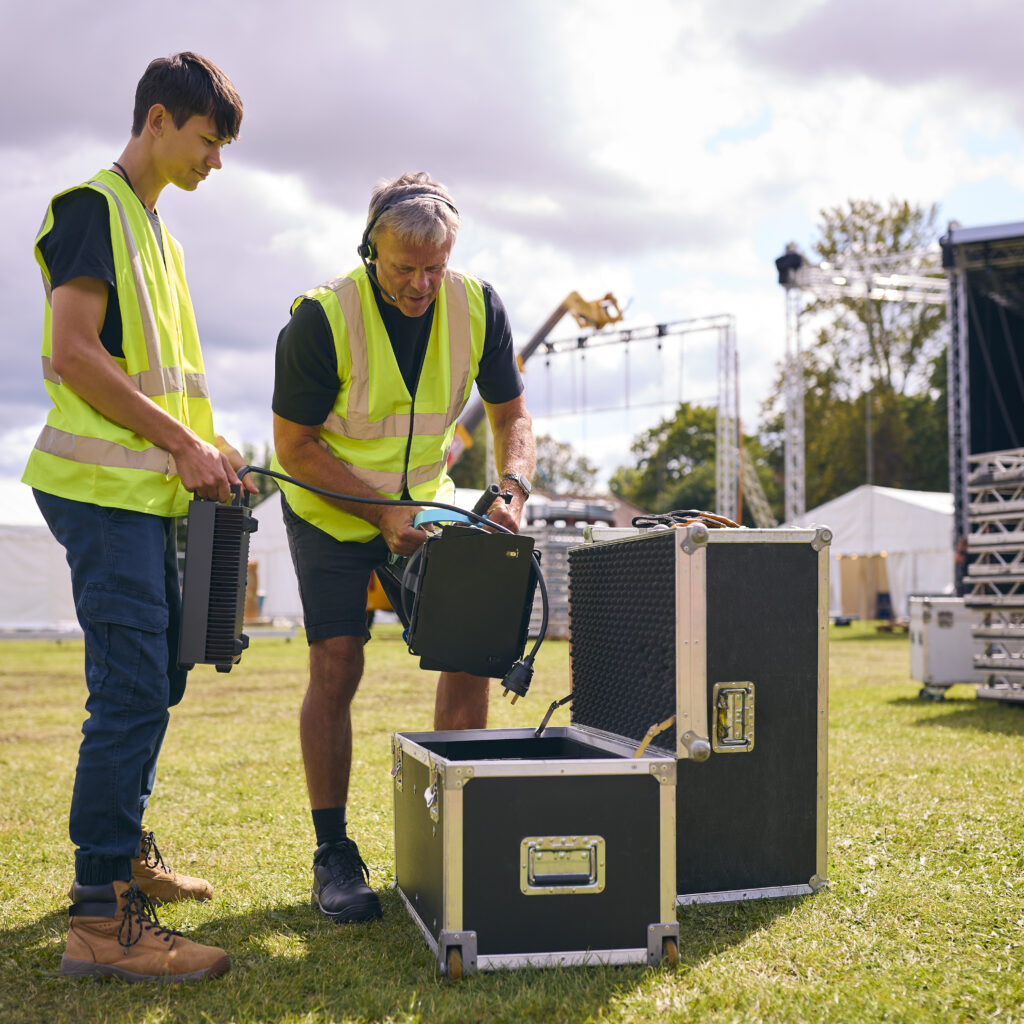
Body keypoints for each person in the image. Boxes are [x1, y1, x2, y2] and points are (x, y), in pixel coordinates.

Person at [22, 52, 256, 982]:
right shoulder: (91, 209)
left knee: (157, 677)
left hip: (144, 495)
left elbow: (156, 381)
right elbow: (74, 355)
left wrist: (211, 446)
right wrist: (182, 446)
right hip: (98, 491)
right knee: (128, 690)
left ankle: (122, 863)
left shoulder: (160, 233)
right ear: (159, 120)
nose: (217, 162)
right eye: (209, 141)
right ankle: (98, 920)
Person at [272, 171, 535, 924]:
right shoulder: (321, 318)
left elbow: (512, 413)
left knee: (473, 640)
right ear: (369, 249)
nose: (420, 284)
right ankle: (334, 853)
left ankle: (457, 828)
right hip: (328, 506)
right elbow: (294, 446)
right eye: (402, 269)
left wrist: (511, 489)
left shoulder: (478, 305)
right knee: (337, 661)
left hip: (421, 501)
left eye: (435, 267)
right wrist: (382, 510)